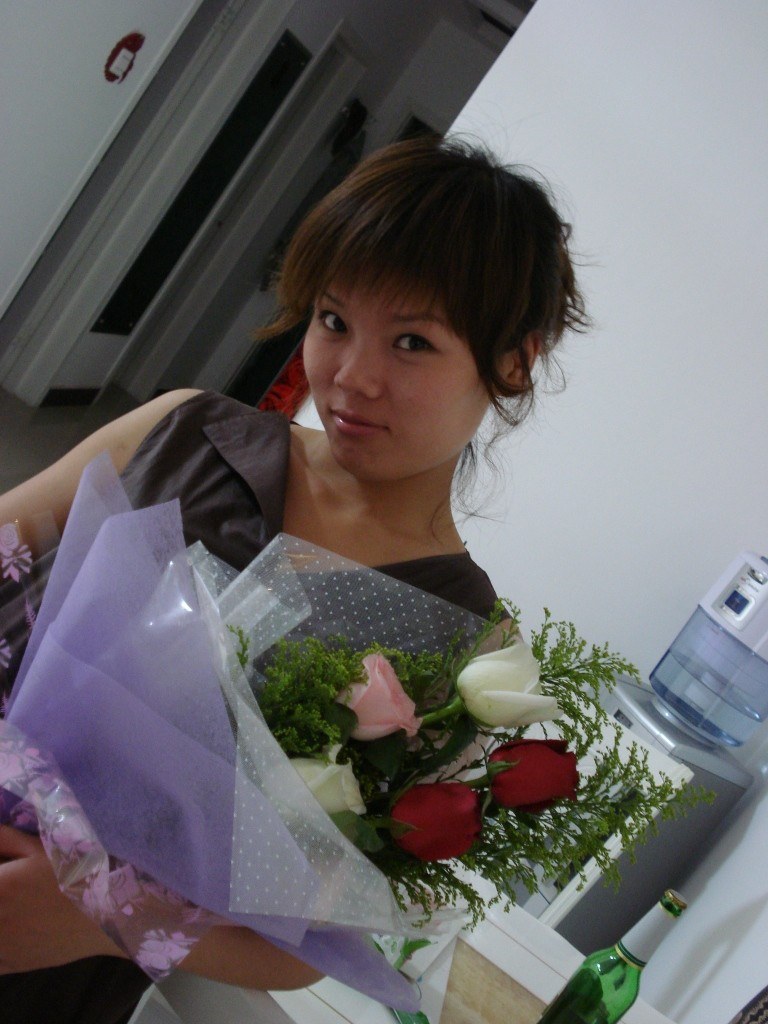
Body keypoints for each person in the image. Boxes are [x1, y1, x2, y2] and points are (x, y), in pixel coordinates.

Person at [0, 134, 588, 1023]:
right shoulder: (185, 431)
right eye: (334, 320)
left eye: (413, 342)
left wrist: (95, 915)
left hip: (44, 967)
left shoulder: (462, 648)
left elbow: (304, 939)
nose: (352, 377)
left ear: (514, 360)